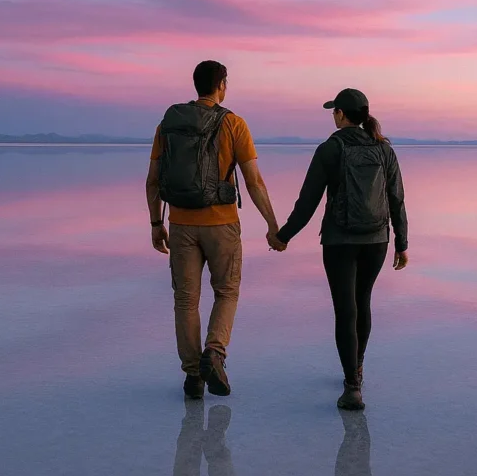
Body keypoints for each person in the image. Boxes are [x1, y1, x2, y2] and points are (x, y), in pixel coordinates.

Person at [147, 60, 280, 399]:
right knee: (226, 291)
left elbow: (152, 181)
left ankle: (193, 376)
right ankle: (215, 353)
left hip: (180, 224)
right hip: (221, 225)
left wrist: (155, 224)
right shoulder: (234, 123)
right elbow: (254, 181)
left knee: (185, 300)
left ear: (196, 85)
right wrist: (272, 224)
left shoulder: (168, 125)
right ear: (222, 85)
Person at [270, 89, 409, 410]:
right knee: (363, 302)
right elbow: (397, 199)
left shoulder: (330, 149)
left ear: (343, 115)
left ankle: (352, 385)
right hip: (377, 241)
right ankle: (356, 370)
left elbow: (308, 201)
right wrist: (401, 244)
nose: (333, 116)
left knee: (346, 310)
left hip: (339, 241)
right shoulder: (384, 150)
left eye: (335, 111)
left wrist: (283, 236)